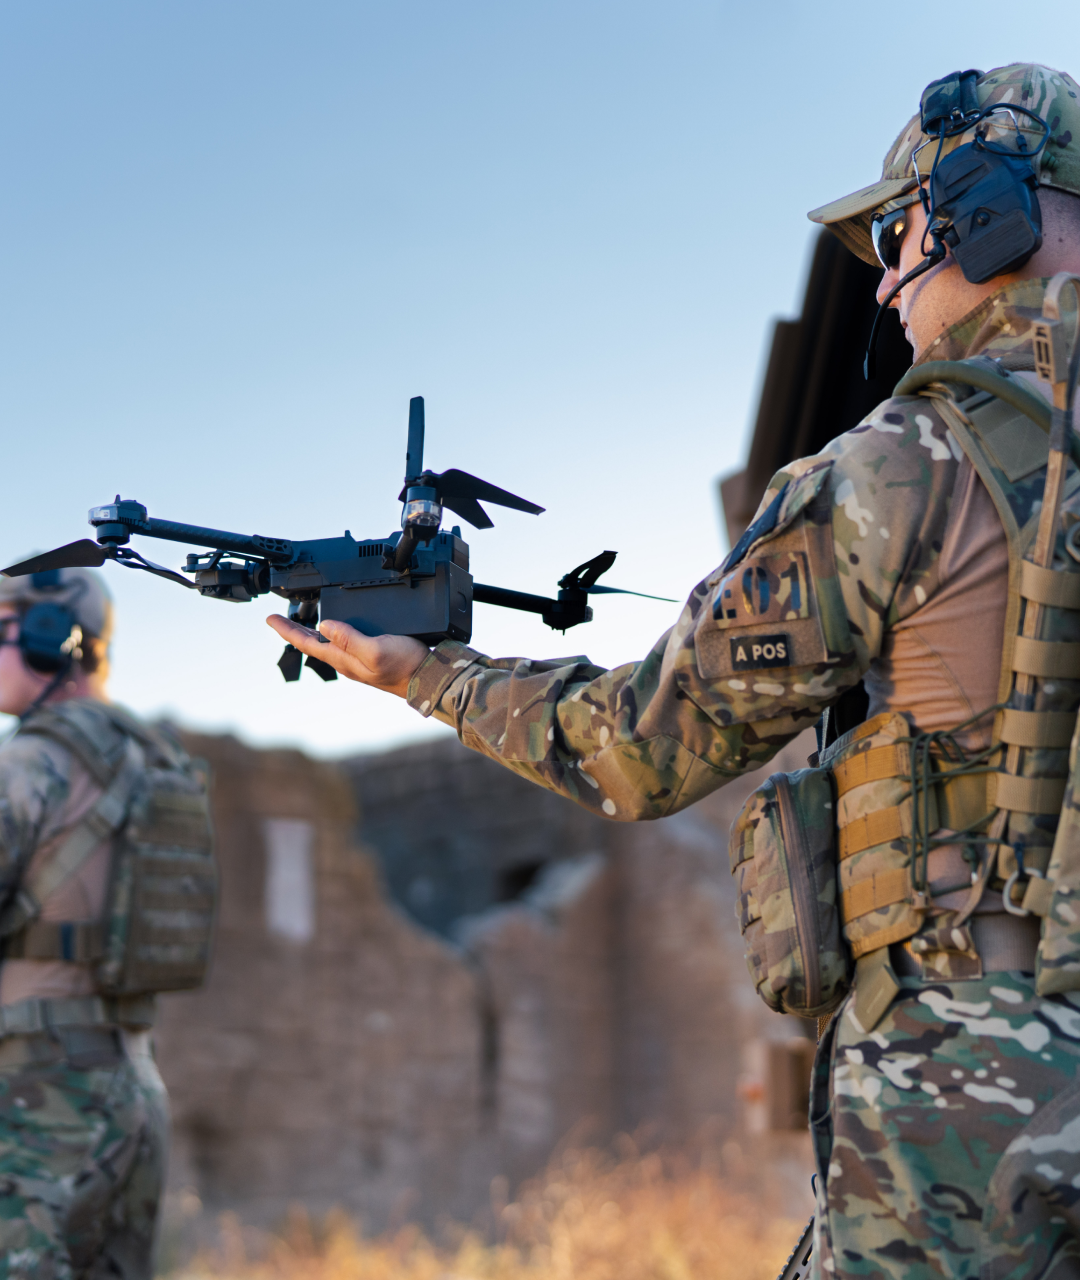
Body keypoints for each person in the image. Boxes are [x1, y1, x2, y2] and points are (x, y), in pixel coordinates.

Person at [271, 64, 1080, 1278]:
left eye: (896, 230)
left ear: (982, 211)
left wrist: (424, 677)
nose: (887, 277)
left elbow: (639, 745)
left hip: (976, 1099)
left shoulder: (905, 465)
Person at [0, 567, 199, 1280]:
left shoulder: (31, 763)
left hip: (41, 1092)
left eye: (3, 630)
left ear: (58, 639)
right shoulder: (155, 759)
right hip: (134, 1087)